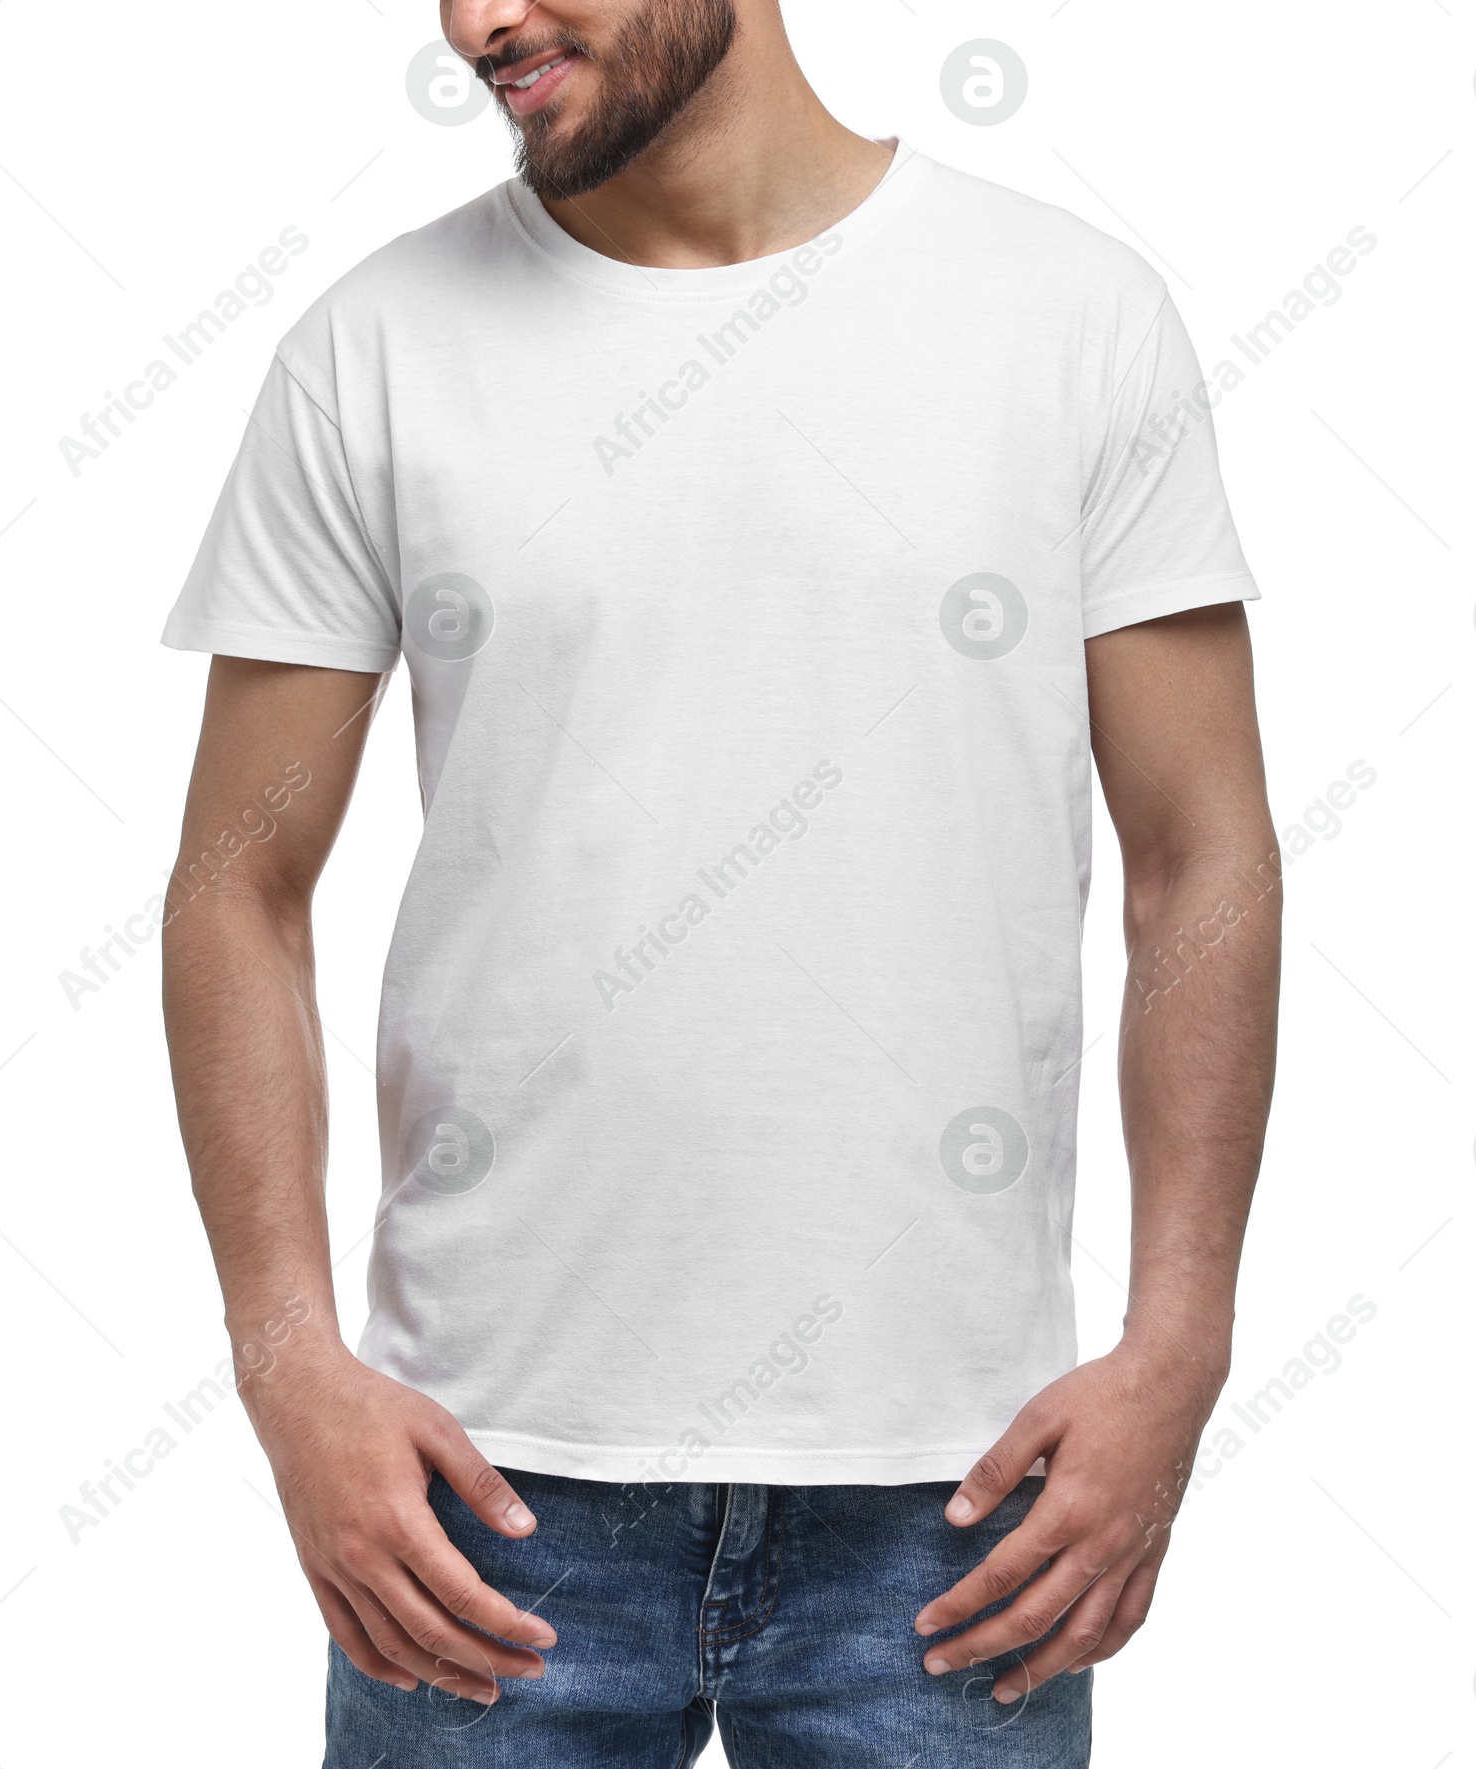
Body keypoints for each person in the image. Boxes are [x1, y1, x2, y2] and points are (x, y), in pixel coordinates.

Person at [160, 1, 1281, 1762]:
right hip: (480, 1502)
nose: (475, 21)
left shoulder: (1070, 316)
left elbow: (1202, 854)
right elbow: (236, 883)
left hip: (961, 1505)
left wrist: (1181, 1345)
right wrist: (290, 1364)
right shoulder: (370, 347)